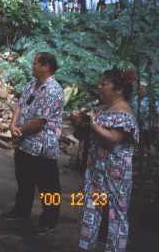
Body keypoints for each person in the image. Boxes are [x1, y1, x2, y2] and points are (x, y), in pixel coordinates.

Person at [71, 69, 139, 252]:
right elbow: (90, 133)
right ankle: (85, 246)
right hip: (96, 171)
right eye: (100, 83)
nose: (99, 87)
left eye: (104, 84)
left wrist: (93, 123)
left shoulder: (125, 113)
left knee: (116, 215)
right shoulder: (103, 109)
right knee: (90, 209)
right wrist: (80, 121)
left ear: (119, 89)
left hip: (115, 174)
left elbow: (113, 138)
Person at [1, 52, 64, 235]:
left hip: (43, 146)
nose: (32, 65)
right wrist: (13, 125)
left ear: (46, 66)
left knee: (48, 186)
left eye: (35, 63)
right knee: (24, 180)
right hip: (25, 143)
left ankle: (49, 220)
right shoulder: (31, 85)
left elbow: (40, 121)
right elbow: (20, 106)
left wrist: (19, 132)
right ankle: (21, 211)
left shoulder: (53, 90)